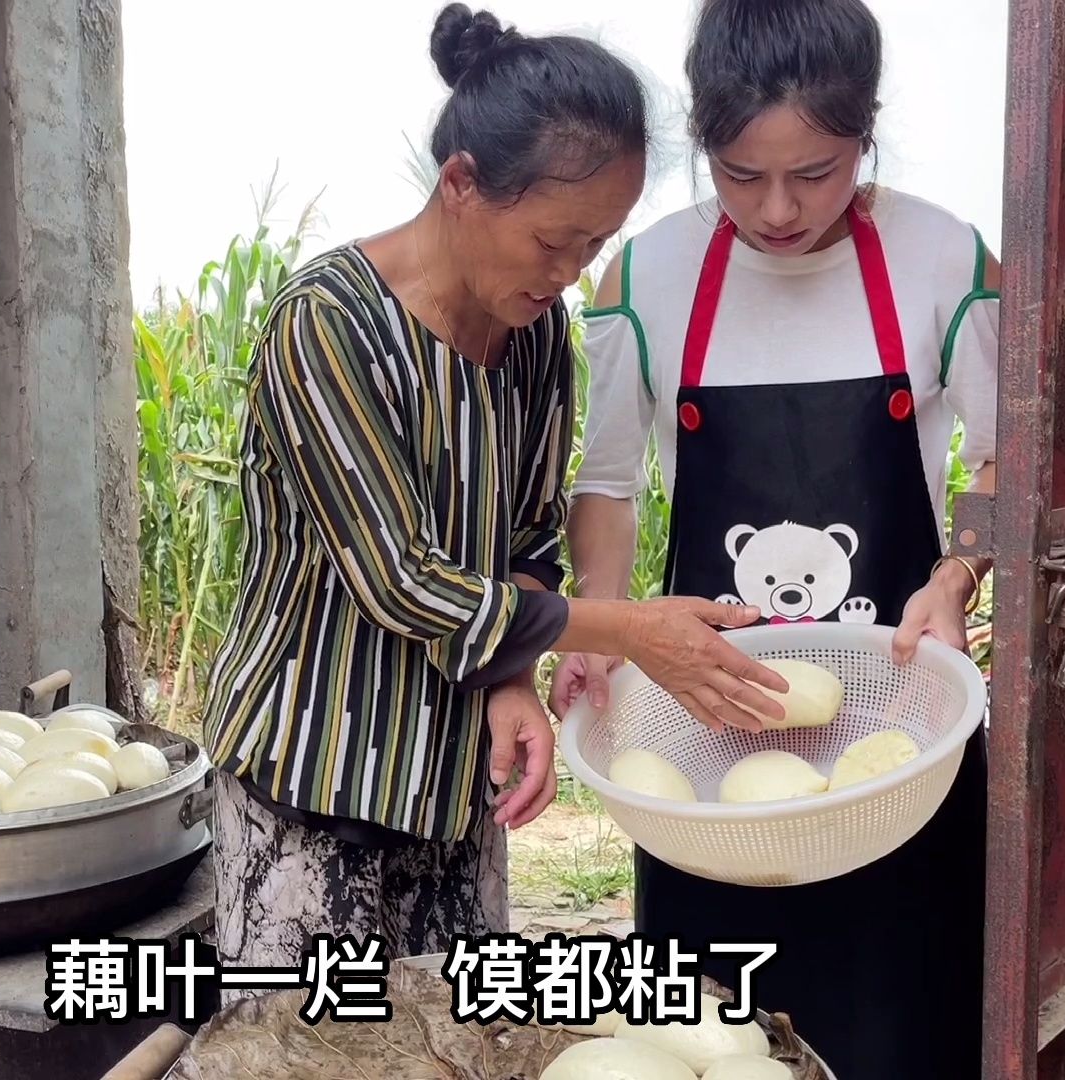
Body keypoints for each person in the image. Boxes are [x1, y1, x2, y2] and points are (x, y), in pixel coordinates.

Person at [201, 3, 794, 1004]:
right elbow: (404, 582)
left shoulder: (534, 344)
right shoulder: (329, 325)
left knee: (456, 1050)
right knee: (307, 1058)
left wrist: (512, 684)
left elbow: (523, 540)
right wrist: (632, 631)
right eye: (553, 240)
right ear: (463, 185)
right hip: (311, 776)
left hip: (455, 782)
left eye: (594, 245)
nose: (567, 274)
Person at [549, 0, 1000, 1075]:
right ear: (703, 141)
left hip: (899, 735)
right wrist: (599, 629)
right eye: (742, 175)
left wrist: (957, 576)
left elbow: (1004, 462)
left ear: (866, 133)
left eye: (820, 169)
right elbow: (607, 487)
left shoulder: (942, 257)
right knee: (707, 1043)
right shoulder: (644, 278)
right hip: (706, 742)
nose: (781, 209)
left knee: (907, 1027)